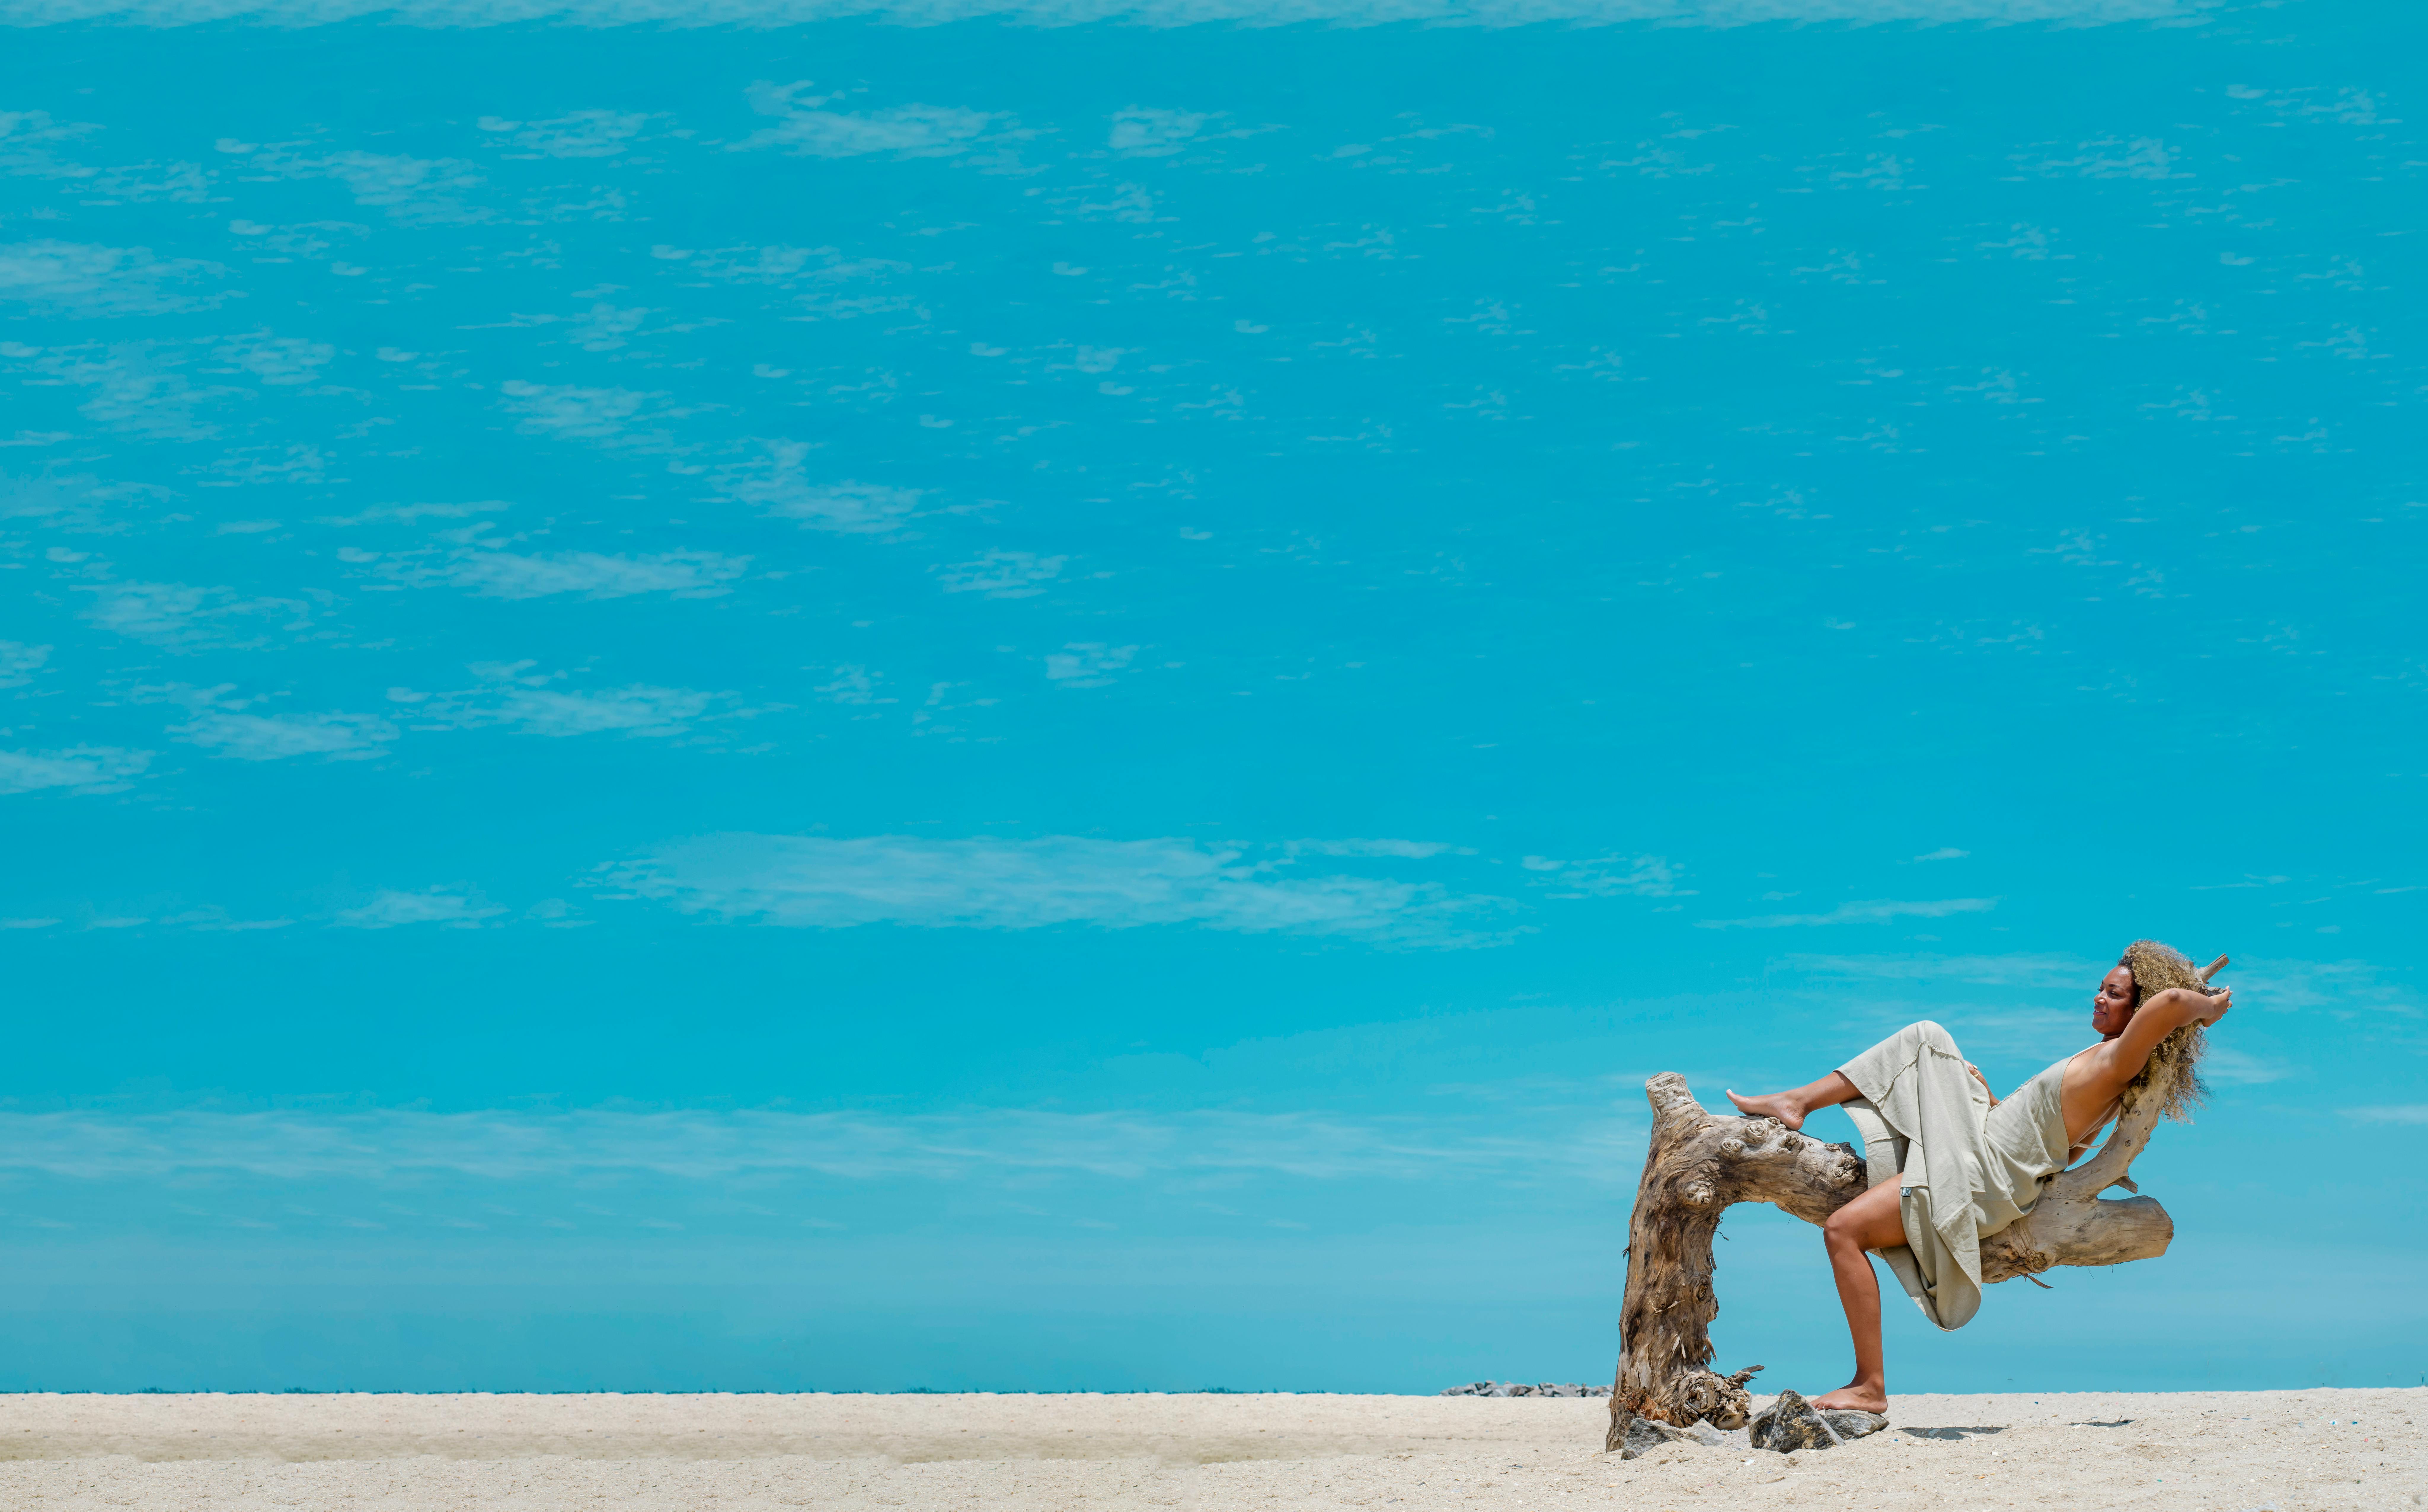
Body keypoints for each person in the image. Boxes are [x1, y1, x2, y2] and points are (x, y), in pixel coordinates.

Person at [1721, 941, 2233, 1413]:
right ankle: (1799, 1101)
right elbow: (2053, 1146)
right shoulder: (2103, 1064)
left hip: (1980, 1176)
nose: (2098, 998)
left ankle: (1869, 1386)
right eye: (2101, 988)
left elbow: (2168, 1004)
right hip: (1985, 1148)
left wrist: (2207, 1010)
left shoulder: (2120, 1061)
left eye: (2114, 993)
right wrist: (1990, 1102)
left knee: (1843, 1231)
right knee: (1927, 1039)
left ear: (2137, 1008)